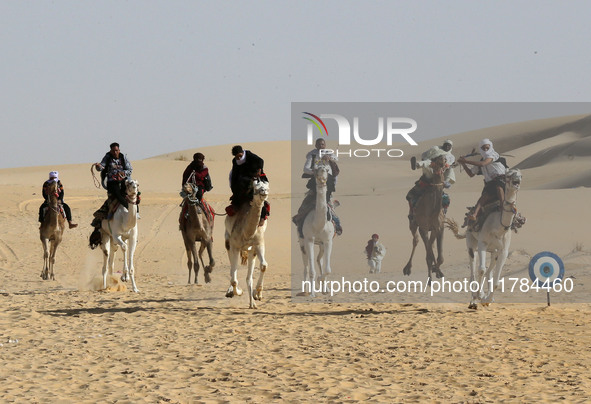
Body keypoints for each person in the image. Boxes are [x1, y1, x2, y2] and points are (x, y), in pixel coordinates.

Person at [292, 138, 342, 236]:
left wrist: (329, 158)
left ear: (325, 145)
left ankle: (337, 225)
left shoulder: (329, 153)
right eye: (319, 144)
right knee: (306, 203)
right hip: (315, 182)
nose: (321, 146)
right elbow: (305, 169)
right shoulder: (312, 154)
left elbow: (337, 159)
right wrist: (314, 172)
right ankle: (299, 222)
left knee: (329, 205)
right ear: (316, 145)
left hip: (329, 183)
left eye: (323, 144)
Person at [458, 138, 507, 221]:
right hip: (490, 184)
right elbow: (471, 174)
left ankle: (503, 207)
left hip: (500, 180)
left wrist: (466, 161)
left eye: (487, 148)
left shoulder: (493, 155)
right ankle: (474, 214)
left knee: (499, 187)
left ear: (491, 147)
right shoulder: (481, 161)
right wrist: (463, 164)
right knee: (484, 196)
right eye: (483, 148)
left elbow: (483, 164)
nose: (485, 149)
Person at [227, 145, 270, 225]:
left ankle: (262, 216)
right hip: (243, 179)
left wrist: (258, 171)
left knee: (258, 197)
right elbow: (235, 174)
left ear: (242, 153)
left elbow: (261, 161)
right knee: (238, 187)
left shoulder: (250, 156)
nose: (239, 158)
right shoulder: (235, 161)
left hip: (256, 177)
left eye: (240, 156)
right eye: (237, 157)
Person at [406, 146, 450, 220]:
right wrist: (417, 165)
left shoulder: (441, 164)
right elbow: (423, 163)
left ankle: (412, 213)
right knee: (446, 199)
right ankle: (444, 213)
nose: (444, 159)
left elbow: (447, 167)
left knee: (410, 195)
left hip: (431, 185)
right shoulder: (429, 163)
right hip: (429, 185)